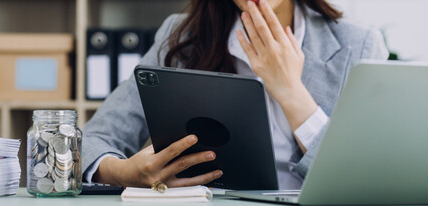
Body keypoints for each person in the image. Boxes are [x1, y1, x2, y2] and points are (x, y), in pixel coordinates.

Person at [82, 0, 388, 189]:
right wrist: (122, 172)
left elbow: (367, 179)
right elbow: (94, 139)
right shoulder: (181, 35)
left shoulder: (358, 46)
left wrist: (290, 91)